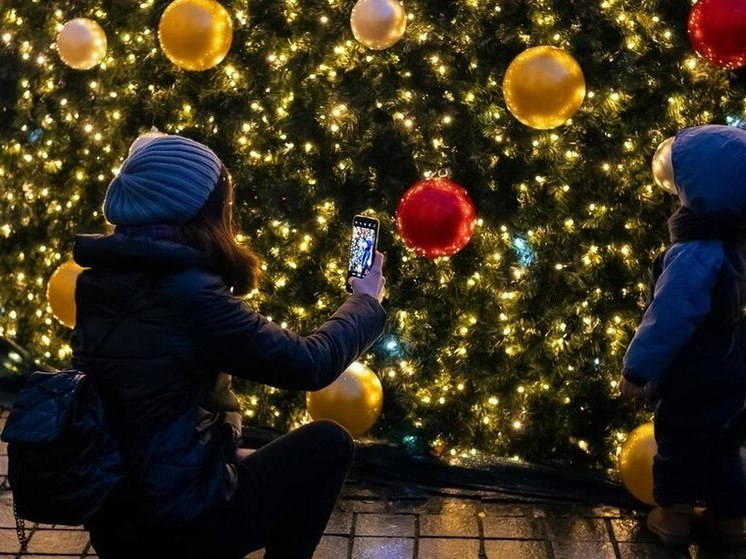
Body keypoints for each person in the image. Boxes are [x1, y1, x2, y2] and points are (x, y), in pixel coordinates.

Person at [72, 134, 387, 558]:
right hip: (181, 525)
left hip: (115, 519)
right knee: (328, 444)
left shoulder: (98, 279)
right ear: (204, 209)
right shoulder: (188, 296)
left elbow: (147, 402)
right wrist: (364, 302)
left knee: (256, 454)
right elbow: (309, 363)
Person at [620, 125, 746, 546]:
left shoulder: (695, 252)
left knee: (679, 438)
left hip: (692, 372)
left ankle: (673, 516)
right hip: (734, 367)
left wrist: (637, 370)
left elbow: (670, 317)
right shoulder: (739, 247)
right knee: (725, 441)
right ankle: (730, 521)